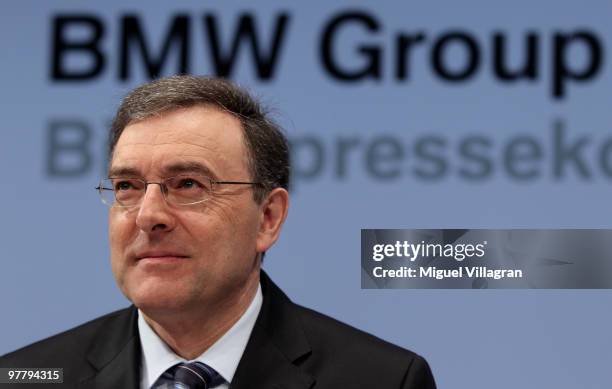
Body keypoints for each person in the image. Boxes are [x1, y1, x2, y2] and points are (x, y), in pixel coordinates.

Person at [0, 76, 436, 388]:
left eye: (188, 184)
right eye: (128, 187)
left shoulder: (381, 379)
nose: (148, 215)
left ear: (268, 217)